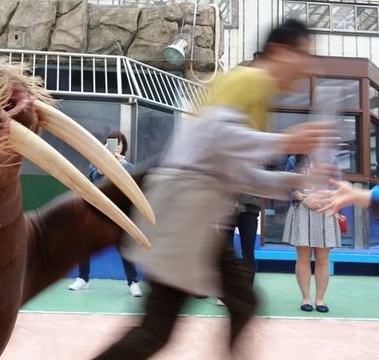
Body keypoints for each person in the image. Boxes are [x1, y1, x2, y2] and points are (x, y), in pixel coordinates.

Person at [91, 19, 338, 360]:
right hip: (184, 213)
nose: (309, 65)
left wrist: (298, 181)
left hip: (197, 215)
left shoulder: (257, 92)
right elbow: (214, 135)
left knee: (241, 303)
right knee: (156, 332)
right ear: (280, 51)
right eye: (304, 54)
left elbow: (235, 174)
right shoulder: (250, 80)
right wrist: (286, 141)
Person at [69, 130, 143, 297]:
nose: (115, 146)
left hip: (119, 214)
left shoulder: (129, 167)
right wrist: (104, 161)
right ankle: (83, 278)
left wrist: (115, 163)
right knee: (84, 242)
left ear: (123, 147)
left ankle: (133, 282)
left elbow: (126, 185)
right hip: (98, 213)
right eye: (111, 143)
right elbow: (97, 179)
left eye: (118, 143)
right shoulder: (95, 164)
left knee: (124, 247)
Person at [282, 154, 342, 313]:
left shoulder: (331, 159)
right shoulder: (294, 160)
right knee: (303, 257)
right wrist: (302, 197)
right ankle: (306, 298)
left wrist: (320, 197)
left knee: (323, 258)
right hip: (302, 208)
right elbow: (287, 185)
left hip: (325, 209)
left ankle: (320, 300)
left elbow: (338, 187)